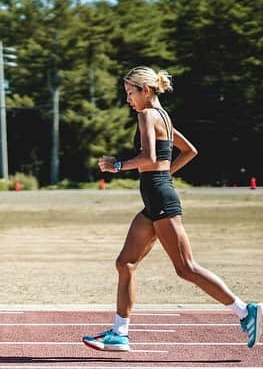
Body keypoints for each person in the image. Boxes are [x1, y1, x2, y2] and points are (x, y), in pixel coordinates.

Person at [82, 66, 261, 352]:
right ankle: (120, 333)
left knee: (186, 268)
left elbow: (149, 157)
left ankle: (245, 311)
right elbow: (190, 150)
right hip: (155, 202)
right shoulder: (162, 116)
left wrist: (117, 165)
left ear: (144, 90)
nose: (128, 99)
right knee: (125, 264)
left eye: (130, 93)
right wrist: (167, 175)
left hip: (161, 203)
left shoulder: (146, 115)